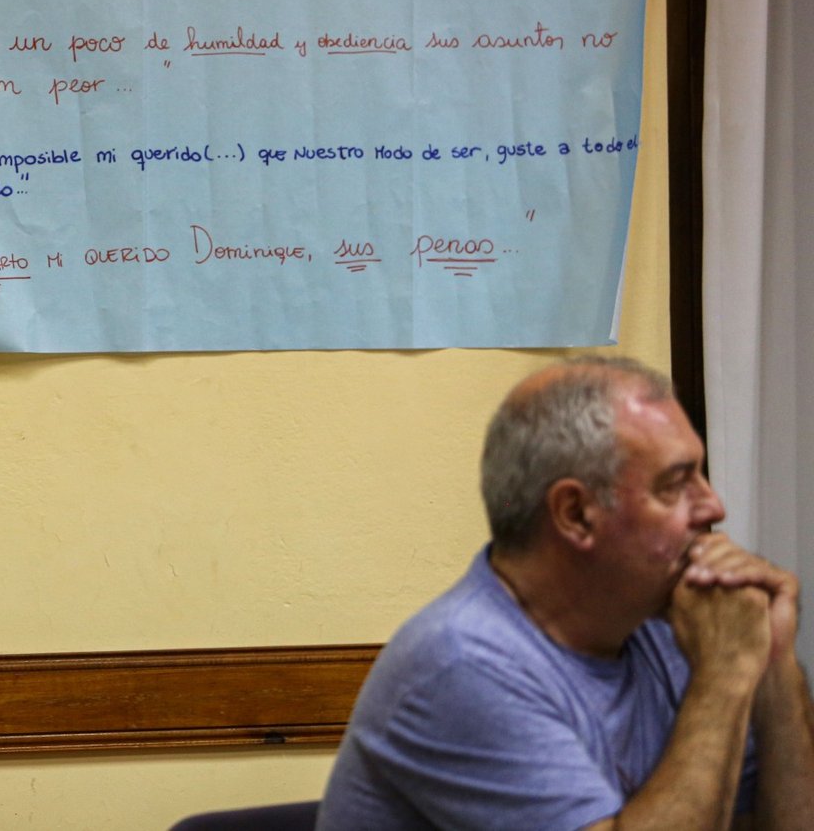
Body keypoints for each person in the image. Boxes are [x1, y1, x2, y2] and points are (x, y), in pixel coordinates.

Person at [318, 356, 814, 830]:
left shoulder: (669, 623)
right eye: (675, 484)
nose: (713, 506)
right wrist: (726, 672)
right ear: (575, 514)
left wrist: (774, 659)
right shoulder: (461, 663)